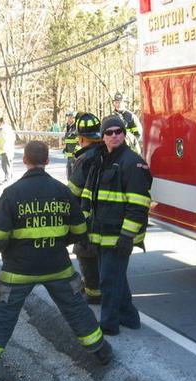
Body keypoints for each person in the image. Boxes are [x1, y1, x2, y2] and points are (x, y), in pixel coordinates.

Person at [0, 140, 113, 381]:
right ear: (48, 161)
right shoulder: (62, 191)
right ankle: (101, 351)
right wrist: (59, 242)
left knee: (3, 315)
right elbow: (80, 229)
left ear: (25, 161)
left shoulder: (12, 194)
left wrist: (9, 250)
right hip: (57, 266)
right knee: (75, 308)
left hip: (18, 271)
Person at [81, 115, 152, 336]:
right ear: (102, 136)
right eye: (109, 132)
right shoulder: (100, 160)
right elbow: (89, 196)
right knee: (115, 278)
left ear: (124, 133)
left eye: (118, 131)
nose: (114, 136)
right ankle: (129, 317)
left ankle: (109, 326)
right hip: (101, 234)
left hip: (118, 236)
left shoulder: (133, 162)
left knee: (108, 281)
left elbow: (139, 204)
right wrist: (84, 229)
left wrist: (127, 236)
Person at [67, 112, 105, 305]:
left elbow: (73, 191)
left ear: (81, 138)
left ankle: (93, 293)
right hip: (109, 217)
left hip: (88, 216)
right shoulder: (110, 152)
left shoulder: (84, 159)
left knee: (85, 252)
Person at [0, 116, 15, 184]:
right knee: (9, 164)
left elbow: (2, 140)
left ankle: (7, 178)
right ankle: (10, 177)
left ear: (2, 122)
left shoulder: (3, 129)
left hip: (6, 149)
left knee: (5, 165)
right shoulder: (9, 129)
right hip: (9, 149)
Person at [63, 110, 79, 179]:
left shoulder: (76, 128)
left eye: (71, 117)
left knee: (73, 176)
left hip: (74, 157)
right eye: (68, 117)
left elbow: (78, 142)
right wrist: (65, 149)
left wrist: (75, 152)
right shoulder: (68, 127)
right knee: (69, 175)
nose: (69, 119)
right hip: (69, 157)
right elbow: (68, 140)